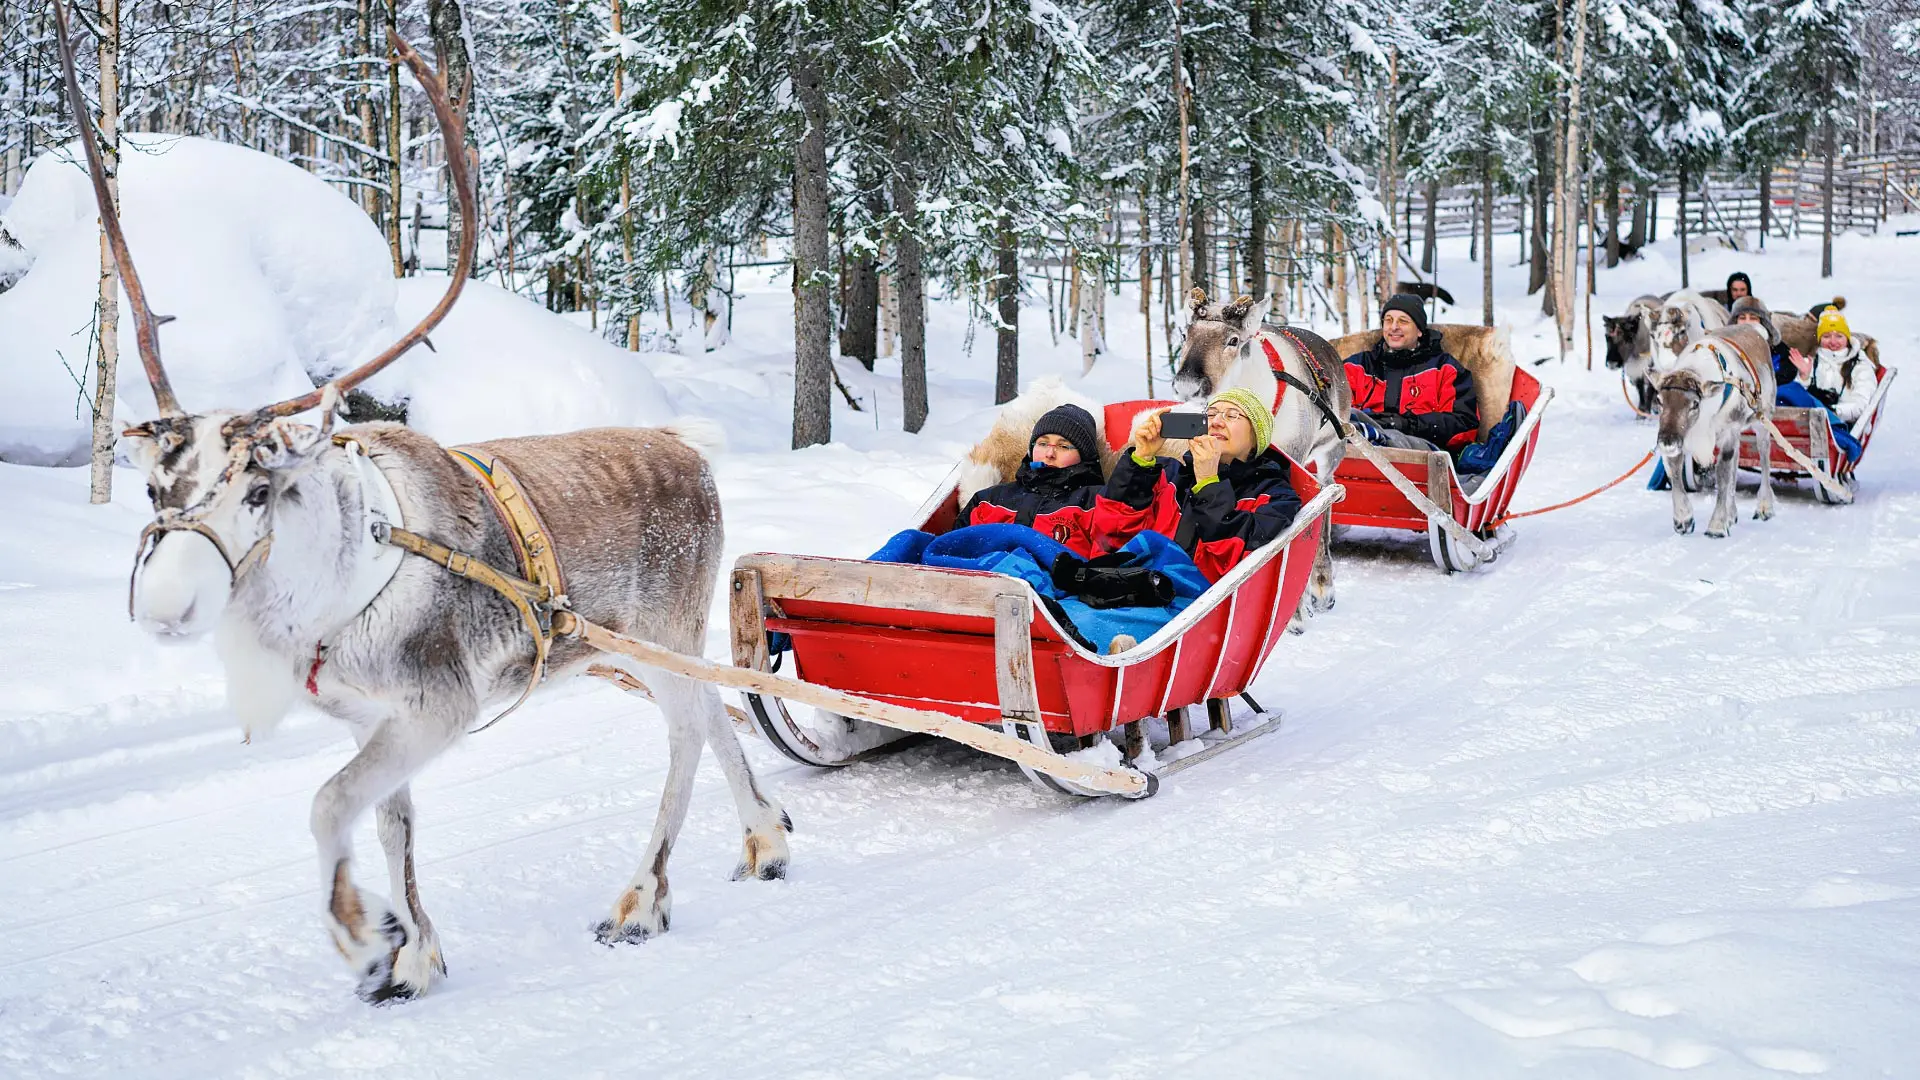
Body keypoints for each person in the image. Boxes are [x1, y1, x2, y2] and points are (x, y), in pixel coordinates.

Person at [1097, 388, 1303, 581]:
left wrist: (1207, 483)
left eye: (1231, 415)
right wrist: (1141, 459)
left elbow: (1235, 566)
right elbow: (1112, 533)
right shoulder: (1168, 474)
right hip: (1129, 585)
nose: (1216, 422)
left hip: (1191, 606)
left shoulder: (1274, 495)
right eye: (1211, 414)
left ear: (1257, 437)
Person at [956, 404, 1108, 556]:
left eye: (1063, 446)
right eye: (1042, 443)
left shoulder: (1097, 503)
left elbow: (1106, 566)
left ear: (1084, 456)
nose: (1049, 453)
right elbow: (952, 551)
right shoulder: (987, 500)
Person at [1342, 294, 1479, 454]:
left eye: (1403, 321)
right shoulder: (1356, 366)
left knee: (1388, 440)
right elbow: (1334, 412)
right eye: (1388, 320)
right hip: (1355, 448)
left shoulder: (1445, 369)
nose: (1394, 327)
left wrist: (1409, 424)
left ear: (1419, 330)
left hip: (1422, 453)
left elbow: (1464, 426)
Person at [1777, 306, 1876, 461]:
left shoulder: (1861, 366)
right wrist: (1804, 376)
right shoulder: (1813, 361)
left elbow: (1861, 405)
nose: (1833, 342)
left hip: (1841, 423)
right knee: (1787, 391)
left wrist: (1831, 411)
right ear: (1820, 339)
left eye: (1839, 336)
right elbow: (1800, 401)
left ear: (1847, 338)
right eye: (1827, 336)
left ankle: (1840, 436)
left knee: (1792, 391)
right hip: (1809, 424)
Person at [1729, 295, 1795, 387]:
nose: (1747, 323)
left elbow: (1785, 377)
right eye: (1742, 318)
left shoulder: (1778, 350)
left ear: (1762, 322)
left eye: (1753, 318)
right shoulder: (1724, 347)